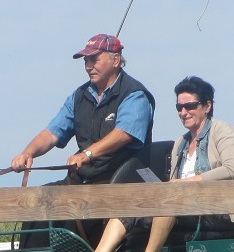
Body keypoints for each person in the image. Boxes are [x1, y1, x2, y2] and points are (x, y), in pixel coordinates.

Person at [92, 75, 234, 252]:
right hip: (185, 206)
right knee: (129, 209)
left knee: (169, 202)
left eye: (190, 106)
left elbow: (233, 168)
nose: (184, 112)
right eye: (179, 108)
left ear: (207, 106)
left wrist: (185, 184)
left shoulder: (222, 131)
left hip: (218, 210)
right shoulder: (180, 143)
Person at [10, 34, 154, 184]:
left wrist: (86, 154)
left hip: (122, 182)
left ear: (116, 60)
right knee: (39, 201)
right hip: (83, 179)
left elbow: (124, 134)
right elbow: (53, 133)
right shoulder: (79, 96)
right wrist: (28, 153)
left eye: (95, 60)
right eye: (86, 61)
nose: (88, 67)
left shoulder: (134, 94)